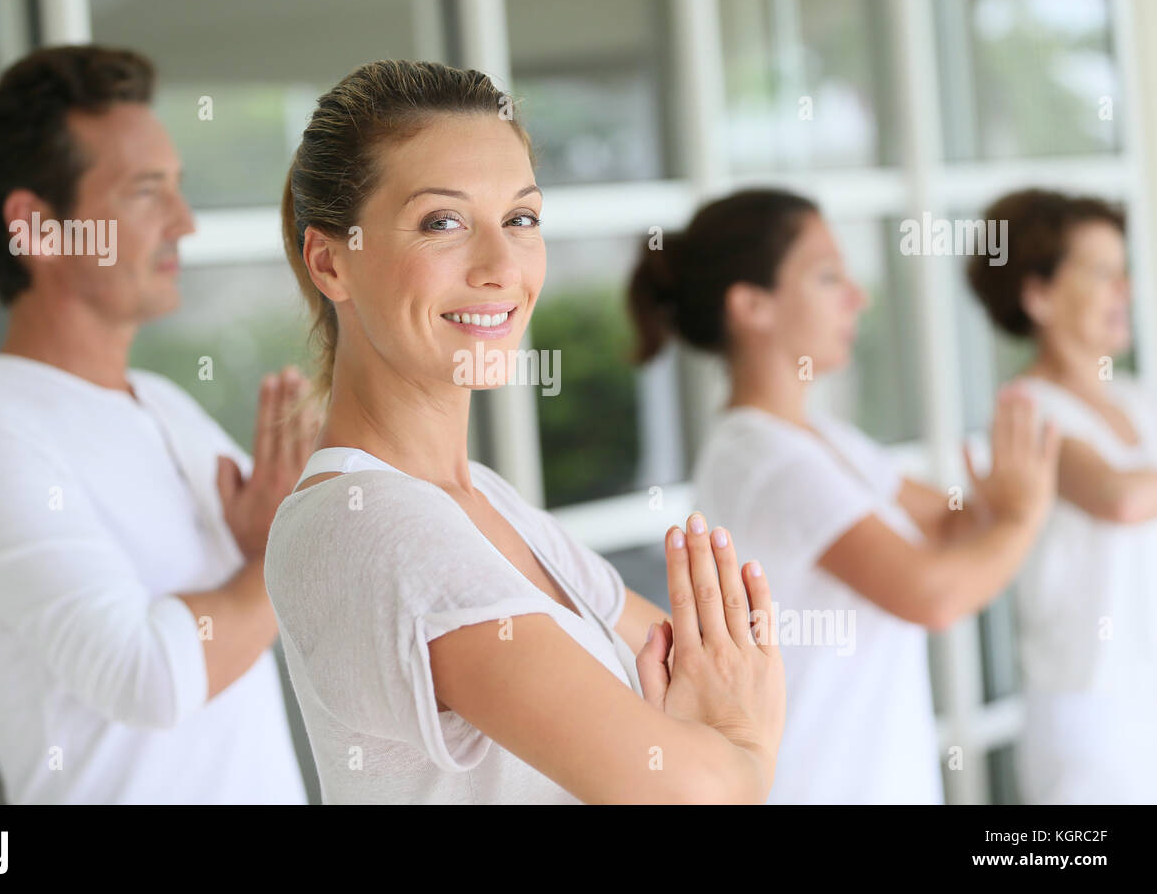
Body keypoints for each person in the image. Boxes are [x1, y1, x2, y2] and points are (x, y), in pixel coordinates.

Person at [263, 58, 785, 804]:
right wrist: (743, 746)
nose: (502, 265)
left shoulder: (492, 505)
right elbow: (692, 785)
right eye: (442, 222)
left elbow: (702, 681)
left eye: (521, 219)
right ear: (330, 261)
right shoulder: (368, 525)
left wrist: (725, 749)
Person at [0, 45, 315, 803]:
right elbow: (150, 677)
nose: (184, 223)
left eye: (179, 190)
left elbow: (325, 564)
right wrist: (273, 562)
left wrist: (276, 554)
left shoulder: (166, 404)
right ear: (34, 227)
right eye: (144, 192)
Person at [627, 189, 1060, 803]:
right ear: (752, 305)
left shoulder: (822, 438)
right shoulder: (766, 458)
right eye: (828, 276)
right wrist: (1021, 514)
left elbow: (947, 525)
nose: (858, 297)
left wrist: (998, 505)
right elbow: (932, 596)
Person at [967, 189, 1157, 803]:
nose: (1124, 288)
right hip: (1090, 712)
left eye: (1122, 269)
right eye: (1102, 272)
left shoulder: (1133, 397)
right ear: (1038, 295)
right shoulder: (1027, 410)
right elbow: (1119, 499)